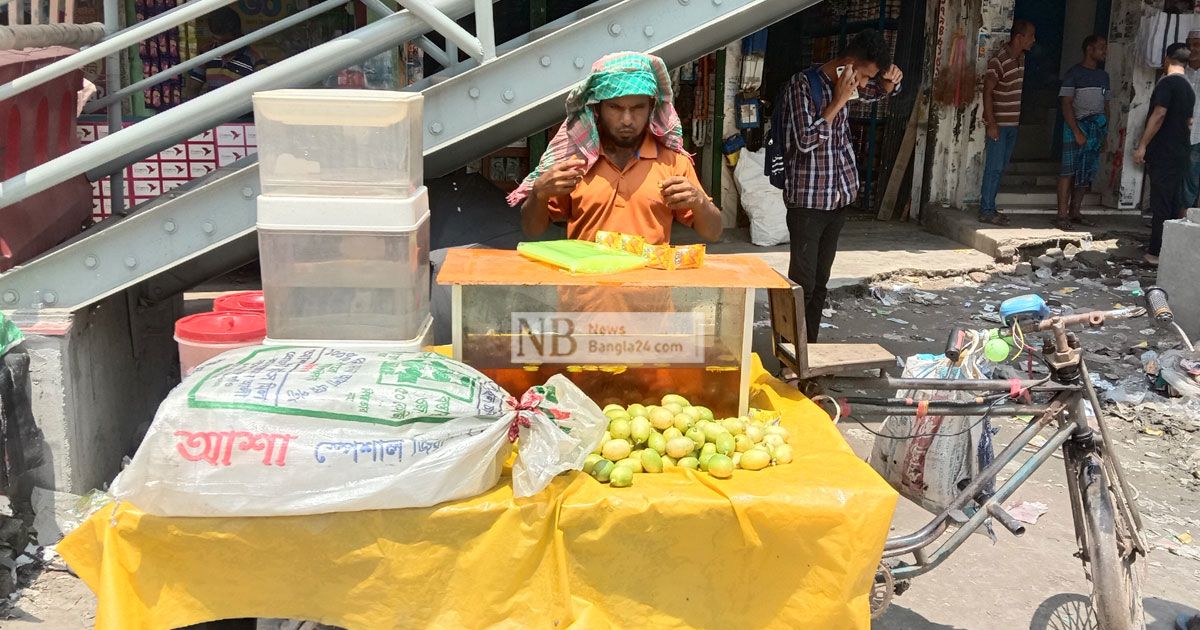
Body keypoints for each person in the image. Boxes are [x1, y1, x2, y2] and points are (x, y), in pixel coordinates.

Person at [513, 51, 723, 245]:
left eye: (638, 107)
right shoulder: (576, 162)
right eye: (615, 107)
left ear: (651, 107)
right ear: (597, 108)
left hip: (649, 284)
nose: (627, 120)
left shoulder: (673, 162)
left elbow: (713, 233)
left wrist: (700, 202)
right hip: (585, 284)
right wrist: (538, 194)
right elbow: (533, 230)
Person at [778, 29, 902, 342]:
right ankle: (790, 358)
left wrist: (889, 83)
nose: (863, 85)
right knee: (801, 286)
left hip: (837, 201)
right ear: (847, 63)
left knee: (821, 284)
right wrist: (837, 102)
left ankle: (810, 353)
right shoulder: (803, 85)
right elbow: (803, 142)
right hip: (808, 204)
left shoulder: (850, 83)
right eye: (862, 76)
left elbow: (875, 91)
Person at [1134, 42, 1195, 266]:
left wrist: (1142, 145)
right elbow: (1188, 121)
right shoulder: (1188, 88)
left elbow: (1159, 114)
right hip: (1180, 151)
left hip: (1164, 152)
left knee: (1160, 202)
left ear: (1166, 58)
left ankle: (1155, 253)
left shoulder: (1167, 83)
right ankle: (1167, 250)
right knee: (1171, 202)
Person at [980, 19, 1037, 226]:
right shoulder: (999, 60)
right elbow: (987, 91)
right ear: (1019, 37)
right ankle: (986, 210)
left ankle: (990, 207)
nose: (1033, 40)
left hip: (1012, 124)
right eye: (1031, 36)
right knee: (994, 167)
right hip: (1000, 125)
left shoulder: (1021, 58)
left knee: (1000, 166)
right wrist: (991, 122)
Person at [1055, 34, 1111, 230]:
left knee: (1086, 172)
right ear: (1089, 49)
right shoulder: (1074, 74)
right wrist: (1076, 131)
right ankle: (1062, 215)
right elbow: (1066, 104)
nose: (1105, 51)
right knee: (1068, 171)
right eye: (1101, 47)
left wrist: (1105, 134)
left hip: (1096, 128)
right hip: (1075, 125)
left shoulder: (1104, 77)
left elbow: (1106, 106)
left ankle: (1075, 211)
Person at [185, 7, 267, 97]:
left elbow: (262, 93)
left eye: (225, 42)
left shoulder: (255, 56)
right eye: (215, 39)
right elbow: (193, 87)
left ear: (238, 36)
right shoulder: (207, 51)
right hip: (213, 109)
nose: (219, 45)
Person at [1181, 29, 1200, 210]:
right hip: (1181, 136)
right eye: (1189, 45)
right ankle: (1180, 222)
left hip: (1198, 134)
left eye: (1197, 45)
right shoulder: (1177, 73)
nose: (1192, 49)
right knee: (1185, 183)